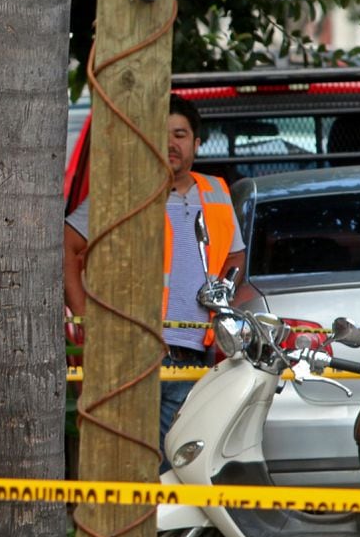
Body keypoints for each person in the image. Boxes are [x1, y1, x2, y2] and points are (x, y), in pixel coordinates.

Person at [63, 94, 245, 469]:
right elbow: (65, 247)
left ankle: (164, 529)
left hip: (197, 352)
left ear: (196, 143)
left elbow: (235, 258)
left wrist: (225, 293)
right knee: (136, 463)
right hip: (134, 352)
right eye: (161, 134)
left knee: (178, 463)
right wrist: (84, 315)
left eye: (180, 134)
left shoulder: (216, 192)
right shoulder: (124, 192)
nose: (170, 144)